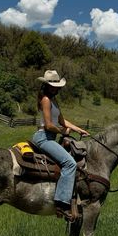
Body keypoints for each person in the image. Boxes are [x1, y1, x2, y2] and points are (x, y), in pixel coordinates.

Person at [32, 70, 89, 221]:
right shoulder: (45, 100)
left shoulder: (54, 101)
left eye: (57, 86)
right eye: (53, 86)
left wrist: (78, 129)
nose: (56, 88)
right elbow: (49, 125)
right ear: (47, 85)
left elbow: (63, 121)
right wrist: (63, 132)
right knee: (69, 163)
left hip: (50, 136)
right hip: (43, 137)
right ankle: (61, 204)